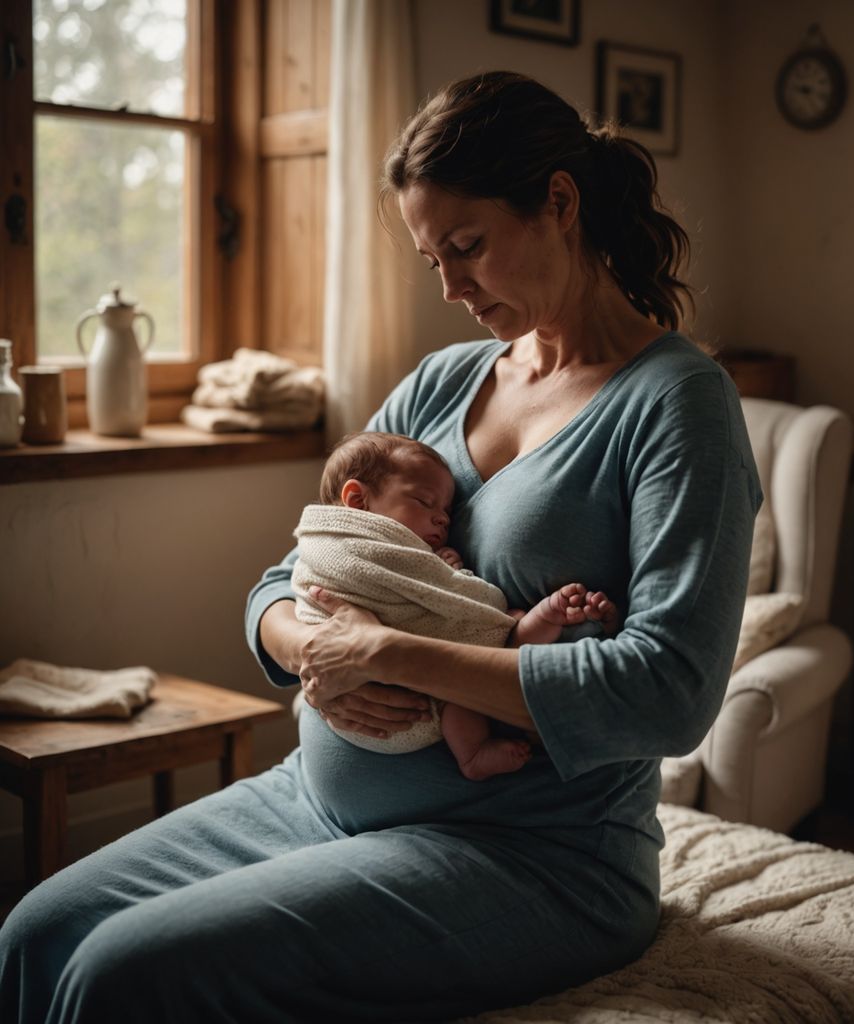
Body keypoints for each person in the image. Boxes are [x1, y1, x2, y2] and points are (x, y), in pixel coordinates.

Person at [0, 70, 761, 1022]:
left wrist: (390, 653)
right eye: (431, 256)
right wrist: (303, 642)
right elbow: (294, 571)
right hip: (314, 800)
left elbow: (671, 692)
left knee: (124, 975)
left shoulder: (677, 403)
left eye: (468, 246)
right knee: (34, 935)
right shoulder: (441, 383)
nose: (448, 286)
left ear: (559, 203)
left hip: (535, 856)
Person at [293, 429, 619, 779]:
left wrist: (437, 568)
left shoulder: (401, 549)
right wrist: (304, 651)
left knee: (466, 679)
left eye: (447, 510)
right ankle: (473, 752)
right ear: (357, 501)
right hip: (372, 708)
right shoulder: (338, 545)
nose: (443, 519)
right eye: (424, 502)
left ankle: (544, 619)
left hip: (410, 698)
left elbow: (424, 590)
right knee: (498, 633)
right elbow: (461, 601)